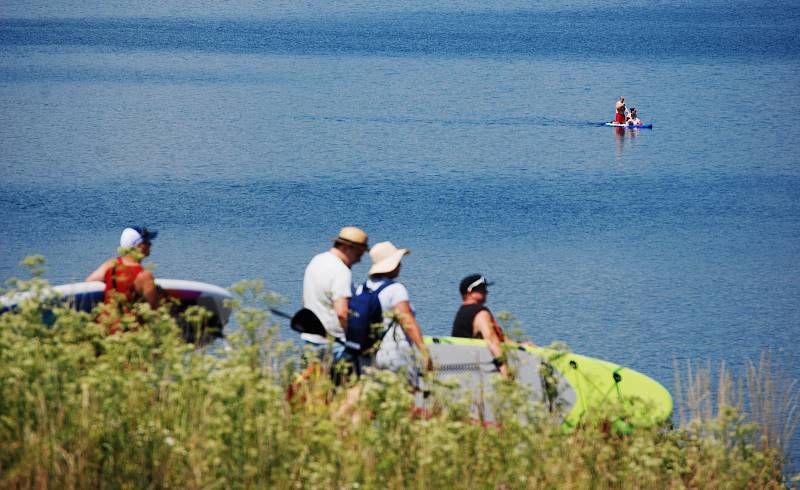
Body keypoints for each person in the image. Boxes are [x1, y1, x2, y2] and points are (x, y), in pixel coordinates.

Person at [363, 241, 433, 385]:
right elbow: (407, 321)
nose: (401, 265)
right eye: (398, 261)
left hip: (370, 355)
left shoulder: (363, 288)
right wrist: (424, 352)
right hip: (396, 355)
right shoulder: (396, 289)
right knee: (406, 399)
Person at [301, 226, 369, 361]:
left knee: (315, 378)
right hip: (333, 342)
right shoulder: (341, 270)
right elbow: (342, 313)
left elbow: (304, 300)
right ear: (346, 248)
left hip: (310, 337)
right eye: (358, 255)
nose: (359, 260)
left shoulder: (316, 260)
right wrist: (354, 338)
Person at [86, 227, 160, 332]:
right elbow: (154, 311)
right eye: (147, 242)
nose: (150, 245)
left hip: (106, 328)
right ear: (138, 246)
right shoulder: (144, 276)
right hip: (129, 333)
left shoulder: (111, 265)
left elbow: (89, 281)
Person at [451, 274, 513, 378]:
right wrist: (506, 373)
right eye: (482, 289)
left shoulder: (461, 312)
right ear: (470, 292)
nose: (487, 292)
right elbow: (493, 342)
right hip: (482, 370)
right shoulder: (480, 314)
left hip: (464, 370)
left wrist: (520, 344)